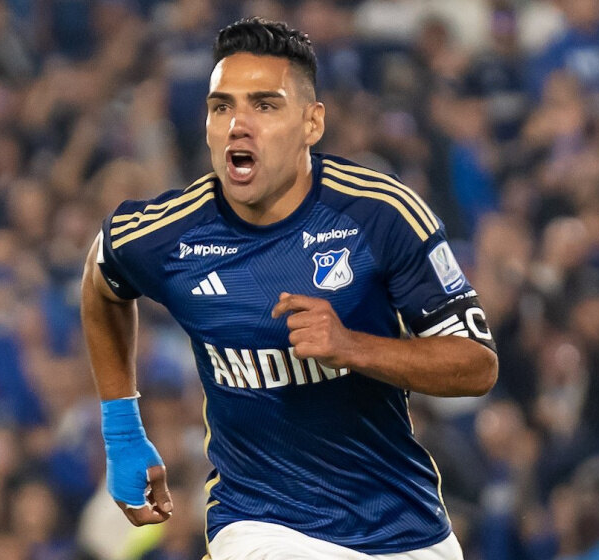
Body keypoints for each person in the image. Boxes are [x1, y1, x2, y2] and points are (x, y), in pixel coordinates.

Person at [80, 17, 498, 560]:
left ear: (311, 122)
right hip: (259, 526)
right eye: (221, 107)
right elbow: (101, 280)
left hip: (403, 532)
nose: (238, 125)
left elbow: (477, 365)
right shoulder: (170, 234)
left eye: (264, 105)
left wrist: (352, 347)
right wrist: (122, 433)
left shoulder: (380, 214)